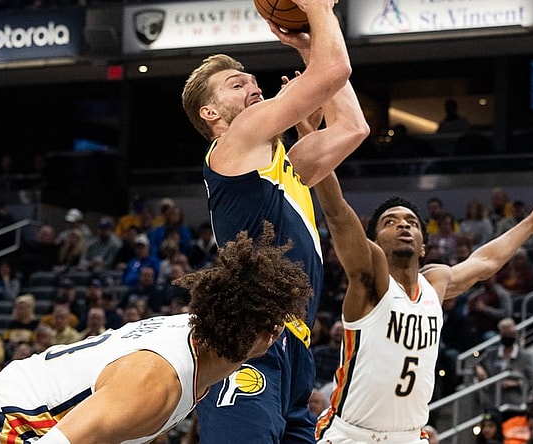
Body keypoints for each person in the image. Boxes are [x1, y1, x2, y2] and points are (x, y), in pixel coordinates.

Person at [181, 0, 368, 441]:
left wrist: (307, 47)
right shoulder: (235, 141)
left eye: (252, 80)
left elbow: (353, 127)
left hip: (294, 342)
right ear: (211, 114)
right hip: (247, 335)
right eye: (236, 84)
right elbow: (334, 70)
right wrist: (319, 10)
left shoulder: (287, 166)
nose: (253, 87)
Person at [0, 223, 312, 443]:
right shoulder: (157, 382)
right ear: (267, 333)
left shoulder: (200, 338)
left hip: (23, 410)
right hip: (5, 427)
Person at [310, 170, 533, 443]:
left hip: (409, 436)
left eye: (411, 223)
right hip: (353, 435)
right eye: (390, 222)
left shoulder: (435, 282)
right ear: (374, 243)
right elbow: (338, 215)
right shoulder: (370, 282)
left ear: (423, 247)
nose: (403, 226)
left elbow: (485, 261)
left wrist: (529, 224)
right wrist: (320, 155)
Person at [474, 317, 533, 409]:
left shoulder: (524, 357)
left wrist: (516, 383)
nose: (508, 336)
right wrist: (478, 368)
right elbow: (475, 364)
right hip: (492, 403)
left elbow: (532, 382)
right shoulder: (491, 353)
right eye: (505, 334)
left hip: (514, 405)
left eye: (510, 333)